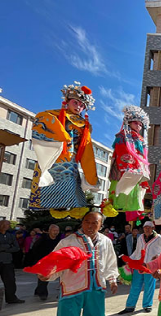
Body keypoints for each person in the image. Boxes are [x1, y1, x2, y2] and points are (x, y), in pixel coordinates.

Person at [30, 82, 98, 216]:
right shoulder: (51, 115)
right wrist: (62, 136)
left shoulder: (84, 125)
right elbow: (40, 122)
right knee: (48, 186)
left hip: (70, 161)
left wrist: (91, 176)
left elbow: (87, 150)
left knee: (70, 188)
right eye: (75, 102)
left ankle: (65, 209)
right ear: (67, 101)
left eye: (82, 105)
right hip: (52, 157)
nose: (79, 107)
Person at [119, 222, 161, 315]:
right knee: (135, 285)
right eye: (145, 227)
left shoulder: (159, 238)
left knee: (149, 286)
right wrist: (130, 260)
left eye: (149, 227)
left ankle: (147, 305)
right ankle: (130, 306)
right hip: (139, 264)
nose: (147, 229)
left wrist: (158, 256)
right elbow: (137, 251)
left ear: (153, 228)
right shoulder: (140, 237)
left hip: (151, 266)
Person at [32, 224, 61, 300]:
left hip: (53, 261)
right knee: (44, 276)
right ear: (49, 231)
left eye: (57, 231)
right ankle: (42, 294)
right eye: (54, 230)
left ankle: (38, 290)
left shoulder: (59, 240)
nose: (56, 232)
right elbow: (34, 249)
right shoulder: (42, 239)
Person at [0, 220, 25, 304]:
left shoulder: (10, 235)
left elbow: (16, 247)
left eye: (8, 224)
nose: (7, 226)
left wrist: (4, 248)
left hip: (7, 261)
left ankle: (11, 298)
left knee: (10, 281)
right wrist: (8, 246)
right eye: (5, 224)